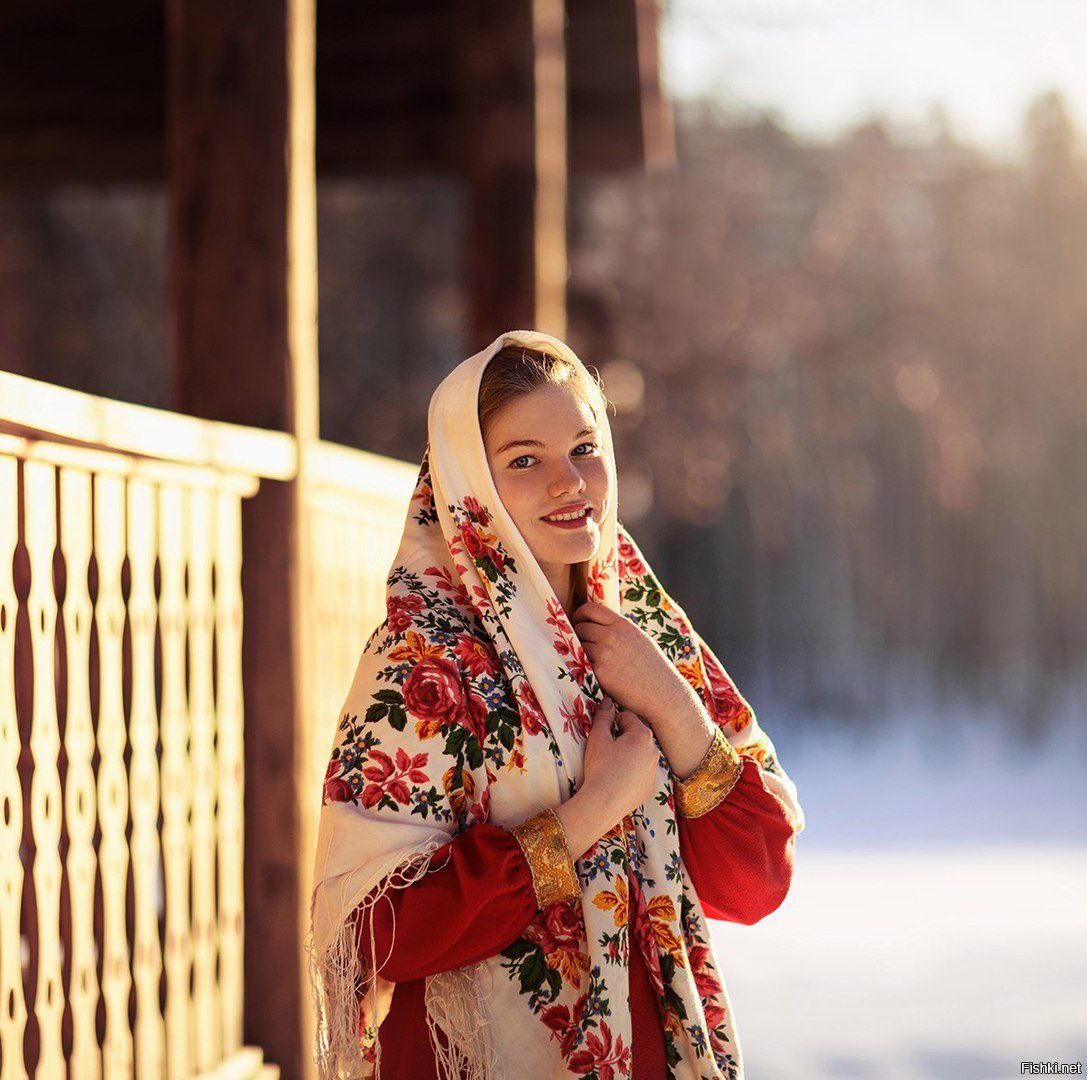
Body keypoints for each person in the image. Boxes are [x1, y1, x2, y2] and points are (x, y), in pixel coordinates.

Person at [308, 330, 805, 1080]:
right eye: (524, 460)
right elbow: (377, 932)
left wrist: (674, 709)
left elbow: (757, 880)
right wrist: (592, 809)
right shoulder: (426, 658)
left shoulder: (646, 636)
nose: (570, 482)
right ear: (467, 482)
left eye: (583, 447)